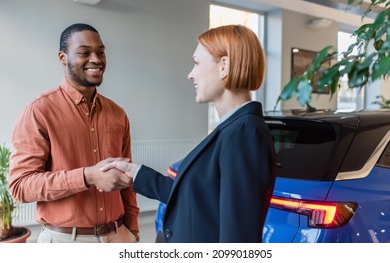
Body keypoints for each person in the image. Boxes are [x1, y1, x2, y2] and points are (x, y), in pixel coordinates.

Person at [101, 24, 277, 243]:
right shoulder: (233, 129)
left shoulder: (244, 133)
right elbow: (198, 197)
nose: (190, 74)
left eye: (196, 63)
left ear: (224, 66)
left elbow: (238, 239)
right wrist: (135, 173)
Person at [8, 23, 140, 243]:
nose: (96, 59)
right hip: (65, 242)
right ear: (62, 57)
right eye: (84, 53)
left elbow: (127, 184)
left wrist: (133, 232)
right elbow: (21, 186)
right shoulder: (39, 111)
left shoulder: (118, 114)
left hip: (118, 236)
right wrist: (87, 176)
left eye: (100, 52)